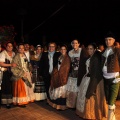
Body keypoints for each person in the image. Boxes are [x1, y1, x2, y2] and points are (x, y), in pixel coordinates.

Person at [76, 43, 107, 119]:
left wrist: (91, 89)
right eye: (88, 49)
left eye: (91, 49)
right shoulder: (90, 58)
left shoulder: (95, 59)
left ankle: (92, 115)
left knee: (91, 97)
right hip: (87, 78)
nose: (89, 50)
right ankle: (87, 114)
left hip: (94, 81)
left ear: (94, 49)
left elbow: (95, 75)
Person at [102, 32, 120, 120]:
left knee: (110, 103)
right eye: (106, 40)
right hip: (105, 79)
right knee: (109, 101)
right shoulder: (104, 51)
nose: (108, 41)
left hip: (114, 79)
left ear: (113, 40)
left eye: (110, 39)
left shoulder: (117, 50)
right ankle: (113, 117)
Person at [66, 39, 88, 108]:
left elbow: (86, 61)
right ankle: (71, 104)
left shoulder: (82, 51)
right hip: (72, 73)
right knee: (72, 89)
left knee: (79, 89)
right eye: (73, 43)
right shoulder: (70, 52)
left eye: (76, 43)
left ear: (79, 44)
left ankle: (78, 105)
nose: (74, 44)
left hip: (80, 73)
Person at [48, 45, 71, 110]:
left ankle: (61, 107)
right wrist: (55, 72)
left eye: (64, 49)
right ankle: (56, 105)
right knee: (57, 92)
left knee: (61, 93)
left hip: (63, 77)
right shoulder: (60, 57)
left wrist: (60, 75)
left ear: (66, 50)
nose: (63, 50)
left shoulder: (67, 58)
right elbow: (57, 66)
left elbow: (66, 69)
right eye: (62, 49)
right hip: (58, 76)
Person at [0, 42, 16, 108]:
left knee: (11, 87)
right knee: (6, 87)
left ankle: (11, 101)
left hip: (12, 72)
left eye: (11, 46)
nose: (9, 47)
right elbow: (1, 63)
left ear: (12, 47)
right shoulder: (3, 53)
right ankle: (6, 103)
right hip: (5, 72)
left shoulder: (14, 53)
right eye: (8, 46)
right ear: (6, 47)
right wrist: (10, 65)